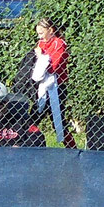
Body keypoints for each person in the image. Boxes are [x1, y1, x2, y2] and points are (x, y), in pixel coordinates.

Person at [27, 16, 71, 146]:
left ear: (50, 30)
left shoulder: (59, 43)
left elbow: (53, 68)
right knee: (32, 119)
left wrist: (41, 56)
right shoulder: (41, 43)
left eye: (41, 33)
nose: (39, 37)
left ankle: (72, 149)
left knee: (58, 122)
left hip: (56, 88)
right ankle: (28, 144)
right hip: (42, 87)